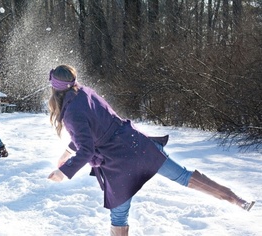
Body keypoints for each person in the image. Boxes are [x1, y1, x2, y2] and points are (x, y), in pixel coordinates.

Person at [46, 65, 255, 236]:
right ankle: (235, 199)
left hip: (118, 163)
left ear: (55, 89)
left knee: (119, 216)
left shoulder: (71, 112)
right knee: (184, 175)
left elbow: (87, 148)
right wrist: (67, 152)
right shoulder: (85, 92)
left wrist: (63, 172)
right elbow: (97, 127)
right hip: (138, 145)